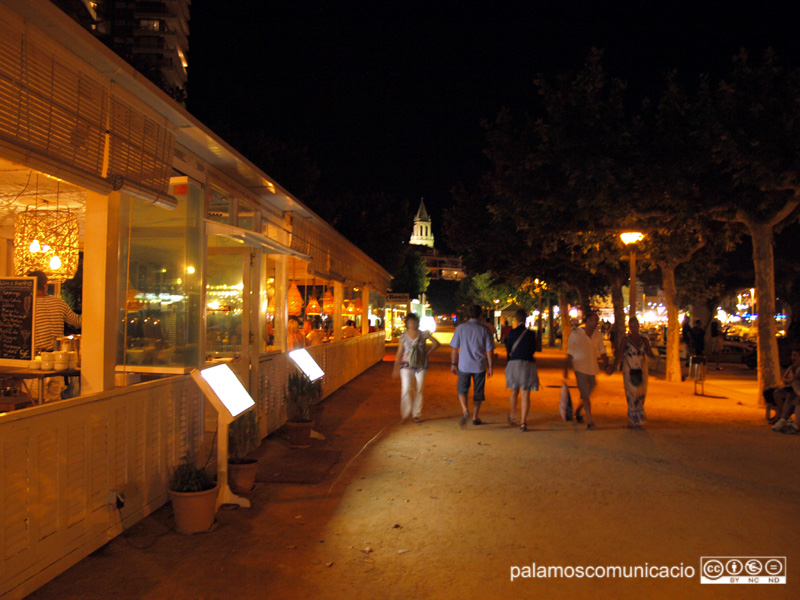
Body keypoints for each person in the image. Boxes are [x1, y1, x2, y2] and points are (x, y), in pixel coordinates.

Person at [450, 304, 495, 427]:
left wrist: (453, 363)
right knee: (478, 392)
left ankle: (465, 410)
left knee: (462, 389)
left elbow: (454, 348)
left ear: (469, 315)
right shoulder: (485, 330)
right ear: (481, 315)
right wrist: (490, 367)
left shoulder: (460, 328)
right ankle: (475, 416)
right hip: (479, 366)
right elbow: (489, 350)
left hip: (464, 365)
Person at [609, 317, 657, 428]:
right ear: (629, 327)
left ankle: (639, 417)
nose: (634, 328)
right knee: (632, 392)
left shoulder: (644, 340)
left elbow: (649, 352)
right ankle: (633, 418)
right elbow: (620, 354)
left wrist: (655, 358)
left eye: (635, 326)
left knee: (641, 392)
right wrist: (614, 367)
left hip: (641, 368)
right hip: (630, 368)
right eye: (631, 326)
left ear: (638, 326)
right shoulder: (626, 340)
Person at [563, 311, 608, 430]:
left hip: (593, 368)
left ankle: (578, 411)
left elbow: (602, 350)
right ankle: (590, 421)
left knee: (588, 393)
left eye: (597, 321)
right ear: (587, 321)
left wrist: (607, 364)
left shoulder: (597, 335)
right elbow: (570, 352)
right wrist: (566, 368)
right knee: (586, 395)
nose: (596, 323)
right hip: (580, 368)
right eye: (594, 320)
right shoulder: (576, 334)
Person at [392, 314, 440, 423]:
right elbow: (399, 352)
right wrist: (396, 366)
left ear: (418, 323)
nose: (413, 324)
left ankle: (416, 414)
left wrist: (428, 352)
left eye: (415, 321)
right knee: (406, 388)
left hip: (421, 365)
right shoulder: (403, 337)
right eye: (411, 322)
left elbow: (436, 343)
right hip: (406, 365)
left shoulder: (423, 334)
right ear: (407, 324)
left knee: (419, 390)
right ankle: (405, 415)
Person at [29, 270, 81, 352]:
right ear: (45, 285)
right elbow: (78, 322)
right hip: (57, 354)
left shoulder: (27, 304)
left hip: (34, 354)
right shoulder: (59, 303)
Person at [505, 309, 539, 431]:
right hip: (527, 364)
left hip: (514, 363)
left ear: (516, 319)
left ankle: (513, 416)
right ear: (525, 319)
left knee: (514, 391)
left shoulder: (511, 333)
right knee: (525, 394)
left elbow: (508, 349)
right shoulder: (531, 334)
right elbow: (534, 349)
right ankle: (523, 422)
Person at [771, 349, 800, 433]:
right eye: (792, 355)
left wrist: (790, 380)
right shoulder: (792, 367)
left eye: (795, 356)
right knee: (785, 395)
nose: (793, 358)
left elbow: (795, 379)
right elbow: (785, 378)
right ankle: (783, 419)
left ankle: (793, 425)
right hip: (794, 391)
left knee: (796, 397)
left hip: (796, 390)